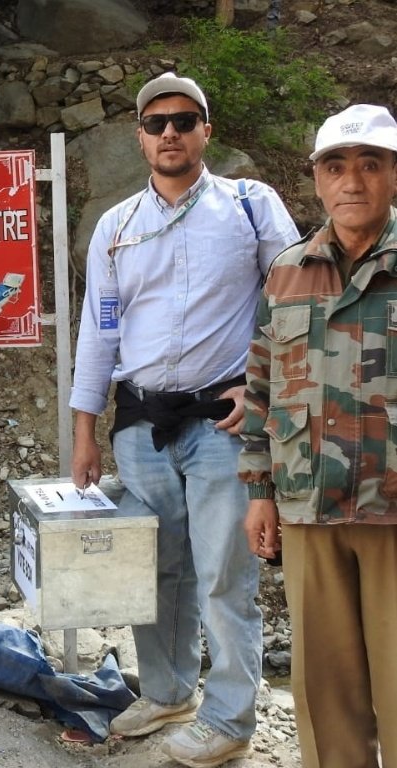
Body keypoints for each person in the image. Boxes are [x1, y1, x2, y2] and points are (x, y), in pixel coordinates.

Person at [70, 72, 300, 767]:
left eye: (182, 119)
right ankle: (169, 691)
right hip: (140, 428)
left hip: (221, 425)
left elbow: (290, 305)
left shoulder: (249, 207)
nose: (168, 132)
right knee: (156, 570)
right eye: (154, 123)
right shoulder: (115, 228)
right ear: (138, 138)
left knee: (223, 576)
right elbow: (98, 330)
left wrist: (262, 396)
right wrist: (84, 428)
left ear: (205, 129)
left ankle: (229, 716)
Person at [241, 103, 397, 768]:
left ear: (393, 175)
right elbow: (259, 387)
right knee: (323, 693)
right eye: (335, 166)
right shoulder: (285, 272)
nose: (352, 181)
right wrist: (258, 490)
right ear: (316, 180)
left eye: (369, 164)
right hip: (307, 508)